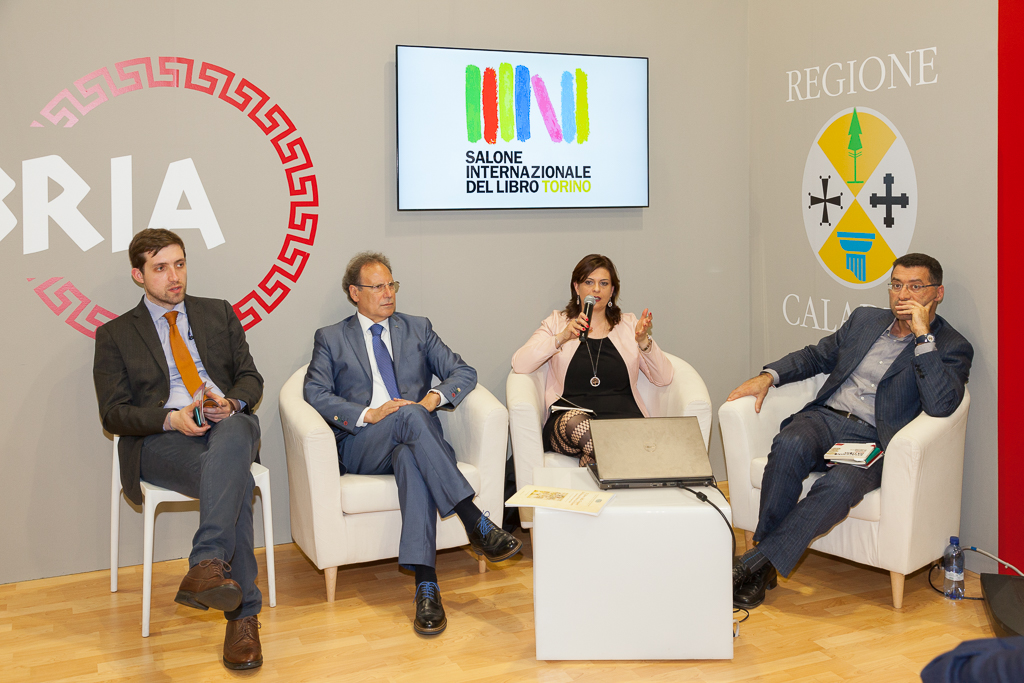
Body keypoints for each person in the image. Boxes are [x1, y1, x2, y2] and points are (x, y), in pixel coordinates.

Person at [726, 253, 973, 609]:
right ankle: (763, 566)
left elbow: (941, 405)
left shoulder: (951, 346)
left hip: (875, 439)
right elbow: (817, 356)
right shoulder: (865, 320)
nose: (903, 295)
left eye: (915, 287)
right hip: (825, 419)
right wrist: (768, 376)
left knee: (840, 486)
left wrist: (923, 337)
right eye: (896, 285)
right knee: (790, 443)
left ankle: (755, 564)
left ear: (938, 293)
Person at [303, 251, 522, 636]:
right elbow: (315, 392)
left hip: (417, 442)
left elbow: (463, 372)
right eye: (378, 287)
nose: (388, 293)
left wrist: (432, 400)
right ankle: (473, 519)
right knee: (407, 417)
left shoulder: (418, 329)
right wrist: (369, 414)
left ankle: (426, 587)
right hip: (364, 444)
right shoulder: (332, 338)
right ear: (354, 292)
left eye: (392, 285)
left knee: (410, 454)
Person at [93, 229, 265, 670]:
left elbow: (250, 378)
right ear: (138, 275)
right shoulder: (115, 334)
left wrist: (230, 403)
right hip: (162, 440)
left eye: (180, 264)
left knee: (235, 431)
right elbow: (113, 414)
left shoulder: (218, 312)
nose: (175, 277)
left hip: (226, 426)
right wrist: (171, 418)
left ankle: (207, 563)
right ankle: (243, 616)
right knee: (233, 480)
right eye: (161, 268)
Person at [511, 254, 674, 465]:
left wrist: (643, 341)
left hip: (622, 419)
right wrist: (562, 337)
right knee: (578, 425)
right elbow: (520, 363)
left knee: (593, 457)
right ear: (576, 287)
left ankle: (599, 462)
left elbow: (664, 377)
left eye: (604, 283)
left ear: (612, 291)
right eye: (589, 282)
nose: (596, 289)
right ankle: (631, 461)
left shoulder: (628, 325)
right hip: (571, 421)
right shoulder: (557, 322)